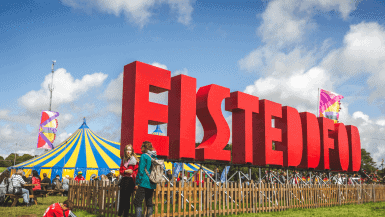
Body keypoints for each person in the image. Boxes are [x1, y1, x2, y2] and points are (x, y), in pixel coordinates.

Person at [134, 141, 157, 217]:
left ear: (144, 147)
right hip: (152, 182)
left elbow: (140, 170)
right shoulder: (154, 156)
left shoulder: (144, 156)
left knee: (137, 201)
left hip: (144, 181)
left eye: (141, 147)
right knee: (149, 201)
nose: (140, 148)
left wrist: (137, 182)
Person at [118, 144, 139, 217]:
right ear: (125, 151)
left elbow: (136, 171)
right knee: (122, 198)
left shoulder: (134, 160)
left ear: (132, 151)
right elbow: (120, 171)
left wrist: (132, 173)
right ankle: (119, 214)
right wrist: (125, 171)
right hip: (124, 179)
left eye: (130, 150)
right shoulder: (123, 160)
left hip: (130, 180)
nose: (128, 151)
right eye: (127, 150)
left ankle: (125, 215)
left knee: (126, 199)